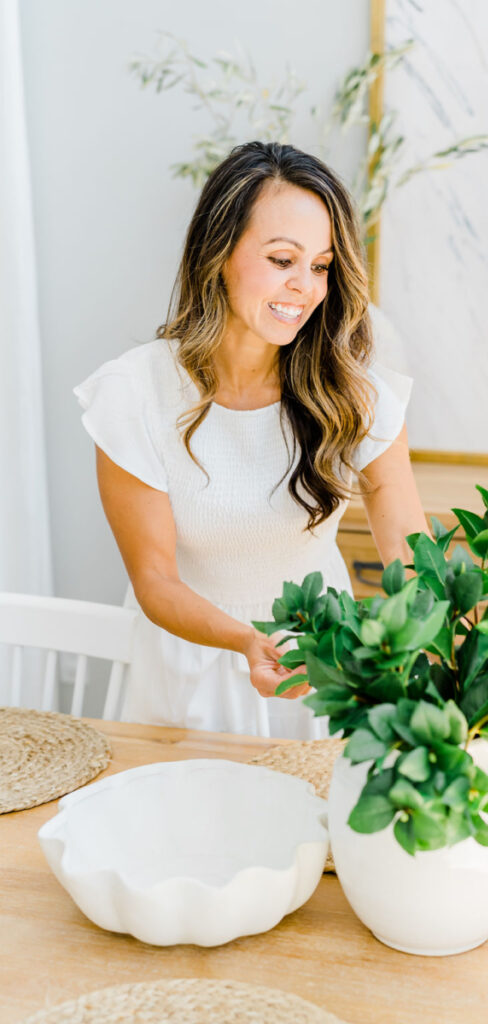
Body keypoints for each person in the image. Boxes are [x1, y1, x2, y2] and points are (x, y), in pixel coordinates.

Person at [74, 140, 428, 739]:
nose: (305, 288)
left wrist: (485, 662)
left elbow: (413, 558)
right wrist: (245, 640)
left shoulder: (357, 395)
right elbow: (155, 579)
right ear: (219, 253)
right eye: (282, 259)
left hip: (318, 668)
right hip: (184, 669)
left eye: (320, 267)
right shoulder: (134, 393)